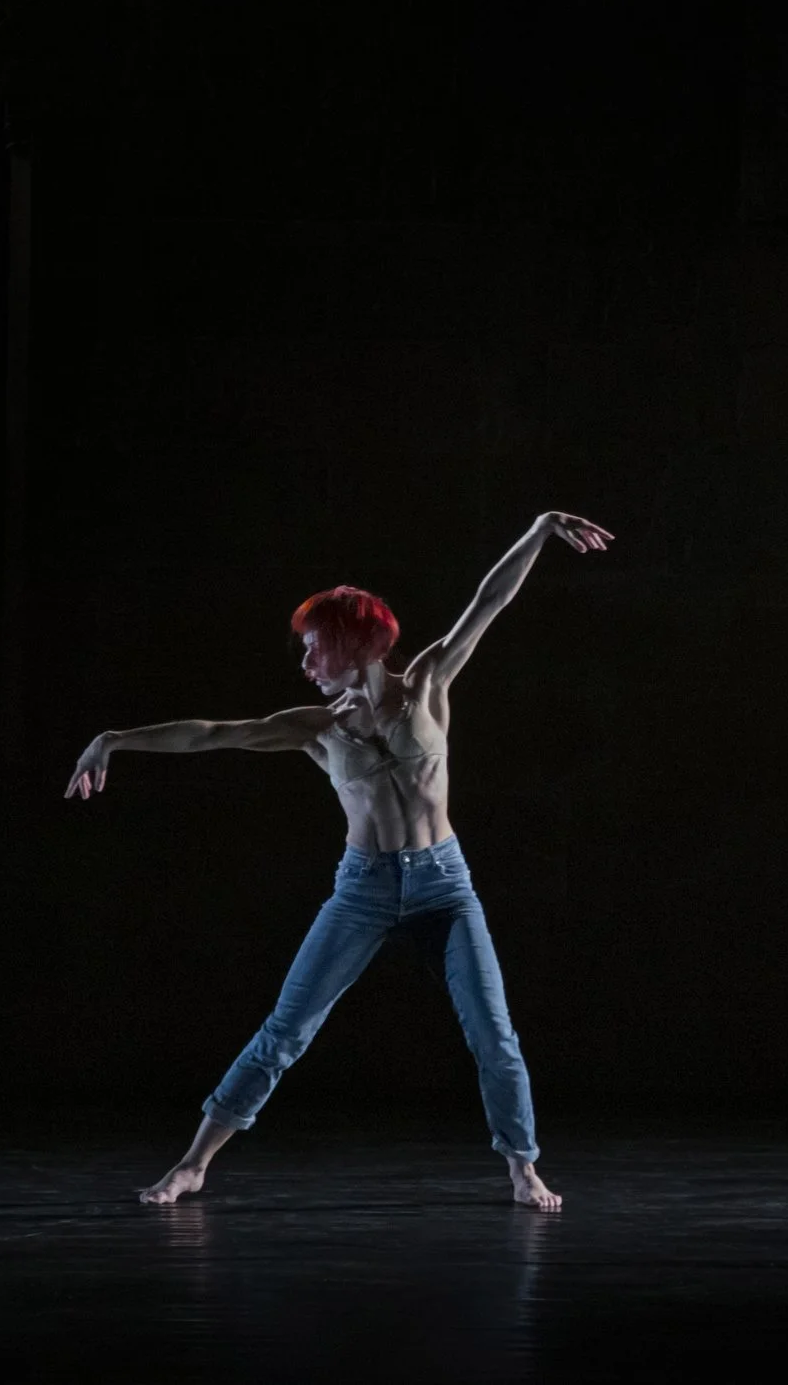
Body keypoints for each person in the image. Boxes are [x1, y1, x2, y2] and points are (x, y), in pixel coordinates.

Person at [65, 510, 615, 1209]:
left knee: (494, 1036)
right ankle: (193, 1163)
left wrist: (538, 531)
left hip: (445, 887)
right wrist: (113, 738)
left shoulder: (429, 683)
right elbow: (210, 734)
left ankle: (523, 1167)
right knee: (284, 1033)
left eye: (314, 649)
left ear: (354, 646)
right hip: (364, 890)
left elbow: (489, 601)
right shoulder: (315, 728)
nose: (305, 665)